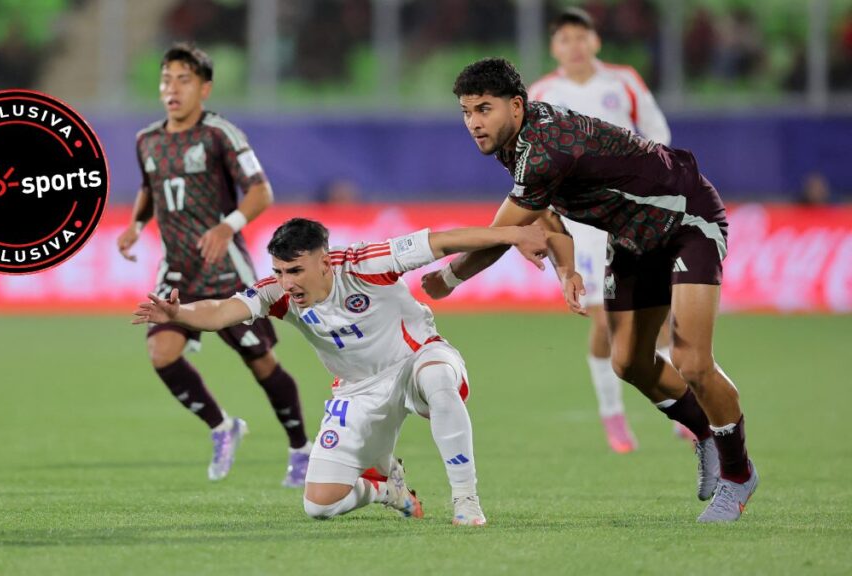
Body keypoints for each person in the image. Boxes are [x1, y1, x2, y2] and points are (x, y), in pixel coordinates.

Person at [423, 57, 758, 522]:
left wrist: (446, 278)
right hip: (632, 238)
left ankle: (738, 476)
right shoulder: (515, 142)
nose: (474, 123)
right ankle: (705, 432)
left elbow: (500, 236)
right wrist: (566, 269)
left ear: (516, 106)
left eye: (484, 109)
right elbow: (543, 210)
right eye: (466, 112)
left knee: (692, 362)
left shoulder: (544, 147)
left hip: (686, 219)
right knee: (627, 362)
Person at [132, 218, 551, 525]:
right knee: (319, 505)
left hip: (416, 357)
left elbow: (441, 242)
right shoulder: (277, 293)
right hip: (357, 392)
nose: (286, 281)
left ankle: (466, 502)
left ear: (325, 263)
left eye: (295, 270)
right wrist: (179, 313)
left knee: (439, 379)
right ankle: (387, 488)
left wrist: (513, 235)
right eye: (279, 270)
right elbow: (222, 310)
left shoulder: (365, 263)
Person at [116, 43, 310, 487]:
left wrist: (228, 226)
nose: (172, 89)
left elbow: (261, 191)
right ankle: (223, 427)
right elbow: (152, 187)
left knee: (260, 362)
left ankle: (301, 447)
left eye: (183, 80)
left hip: (225, 270)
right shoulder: (147, 140)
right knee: (161, 353)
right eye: (166, 80)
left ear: (204, 88)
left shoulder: (220, 134)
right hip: (178, 270)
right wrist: (134, 225)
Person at [529, 8, 689, 453]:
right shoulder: (542, 94)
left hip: (635, 215)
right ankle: (612, 414)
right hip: (582, 225)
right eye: (565, 39)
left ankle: (681, 408)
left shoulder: (623, 82)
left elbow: (658, 135)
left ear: (595, 42)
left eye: (582, 37)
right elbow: (533, 160)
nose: (575, 46)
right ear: (554, 48)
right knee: (605, 321)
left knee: (660, 316)